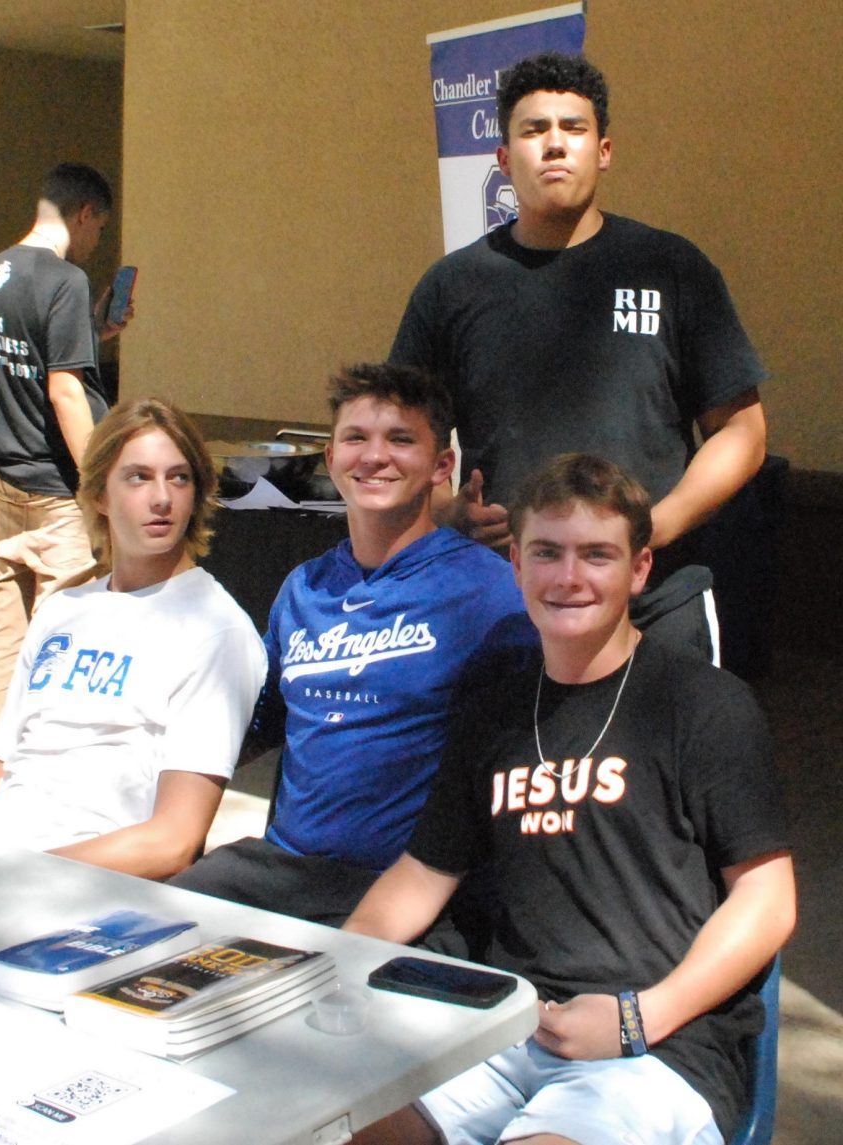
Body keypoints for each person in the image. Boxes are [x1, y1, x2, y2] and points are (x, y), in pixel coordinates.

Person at [344, 453, 795, 1145]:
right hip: (497, 1023)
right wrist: (325, 970)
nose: (569, 577)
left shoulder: (704, 705)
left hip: (653, 1049)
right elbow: (421, 875)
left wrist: (639, 1016)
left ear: (639, 569)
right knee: (334, 1124)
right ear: (516, 565)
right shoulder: (491, 714)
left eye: (597, 554)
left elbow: (767, 899)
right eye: (547, 552)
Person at [389, 52, 768, 660]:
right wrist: (442, 510)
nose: (556, 145)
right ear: (505, 160)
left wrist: (658, 525)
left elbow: (743, 432)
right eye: (535, 130)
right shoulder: (451, 288)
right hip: (509, 598)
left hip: (658, 596)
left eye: (574, 128)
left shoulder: (673, 268)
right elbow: (401, 436)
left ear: (605, 151)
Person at [169, 363, 535, 924]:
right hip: (279, 871)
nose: (374, 456)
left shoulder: (491, 594)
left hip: (404, 889)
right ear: (332, 457)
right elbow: (254, 724)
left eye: (401, 439)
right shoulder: (304, 588)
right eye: (355, 438)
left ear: (443, 465)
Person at [0, 399, 267, 880]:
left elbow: (173, 842)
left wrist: (16, 874)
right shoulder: (63, 610)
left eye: (179, 478)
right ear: (98, 496)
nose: (162, 498)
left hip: (75, 885)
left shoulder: (215, 630)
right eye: (138, 477)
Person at [0, 162, 132, 739]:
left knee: (6, 621)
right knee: (63, 628)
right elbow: (64, 389)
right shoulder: (65, 280)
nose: (96, 243)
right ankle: (48, 750)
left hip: (7, 477)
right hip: (58, 488)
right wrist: (102, 482)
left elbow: (28, 353)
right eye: (99, 228)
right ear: (84, 213)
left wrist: (94, 331)